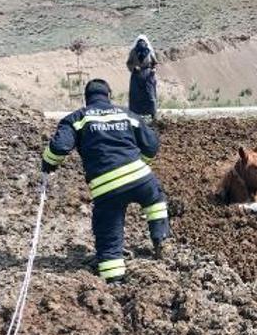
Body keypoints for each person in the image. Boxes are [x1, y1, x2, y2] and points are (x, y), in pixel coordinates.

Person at [41, 79, 170, 283]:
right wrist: (140, 164)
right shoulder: (127, 114)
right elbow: (152, 145)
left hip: (107, 188)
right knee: (155, 202)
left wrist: (48, 164)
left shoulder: (76, 118)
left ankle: (114, 280)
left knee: (109, 235)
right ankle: (161, 239)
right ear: (109, 96)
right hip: (140, 177)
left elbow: (60, 147)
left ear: (86, 99)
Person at [126, 34, 158, 119]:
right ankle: (135, 116)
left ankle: (153, 115)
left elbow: (155, 63)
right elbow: (129, 63)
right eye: (140, 41)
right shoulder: (133, 52)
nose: (141, 43)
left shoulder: (149, 51)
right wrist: (134, 67)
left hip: (148, 75)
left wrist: (153, 69)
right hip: (136, 76)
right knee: (136, 96)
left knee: (150, 95)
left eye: (143, 41)